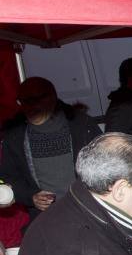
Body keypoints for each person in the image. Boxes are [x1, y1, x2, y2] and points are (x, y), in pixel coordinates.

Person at [0, 77, 101, 221]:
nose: (31, 106)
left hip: (88, 212)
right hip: (47, 219)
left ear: (53, 97)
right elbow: (9, 176)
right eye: (25, 101)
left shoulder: (82, 125)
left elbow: (107, 162)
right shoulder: (15, 137)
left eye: (37, 99)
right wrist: (31, 196)